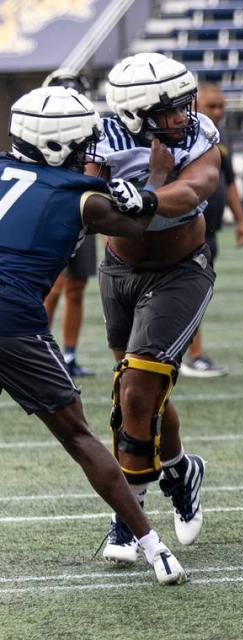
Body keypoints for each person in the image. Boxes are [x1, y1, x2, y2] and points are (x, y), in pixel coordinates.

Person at [1, 85, 184, 585]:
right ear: (59, 145)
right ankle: (152, 546)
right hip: (12, 319)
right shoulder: (80, 198)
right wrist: (159, 178)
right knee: (79, 436)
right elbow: (141, 224)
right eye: (81, 144)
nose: (89, 154)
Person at [90, 52, 220, 564]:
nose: (184, 115)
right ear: (135, 113)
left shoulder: (197, 131)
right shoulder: (101, 137)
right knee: (137, 393)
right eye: (169, 109)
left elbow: (197, 187)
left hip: (180, 268)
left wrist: (147, 194)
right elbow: (92, 206)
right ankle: (181, 468)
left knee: (139, 392)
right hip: (119, 270)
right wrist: (125, 191)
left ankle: (130, 516)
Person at [180, 82, 243, 378]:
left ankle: (187, 352)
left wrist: (241, 219)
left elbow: (230, 183)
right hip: (189, 230)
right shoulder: (185, 140)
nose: (219, 112)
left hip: (210, 231)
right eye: (213, 106)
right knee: (190, 293)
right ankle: (192, 355)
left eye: (222, 106)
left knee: (198, 292)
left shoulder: (215, 140)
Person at [40, 69, 98, 378]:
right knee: (53, 286)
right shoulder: (39, 129)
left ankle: (70, 355)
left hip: (83, 209)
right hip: (53, 213)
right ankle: (42, 352)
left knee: (76, 286)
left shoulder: (91, 129)